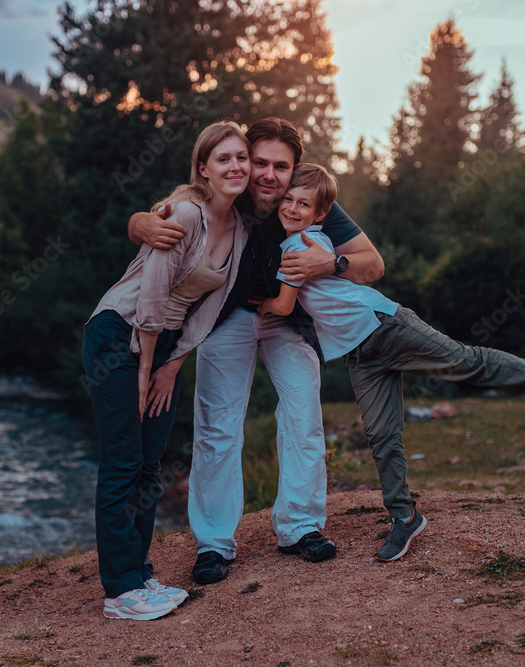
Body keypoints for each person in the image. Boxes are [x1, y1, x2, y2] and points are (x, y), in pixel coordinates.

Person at [258, 163, 525, 561]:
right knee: (381, 435)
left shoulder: (300, 247)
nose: (293, 209)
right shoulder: (302, 241)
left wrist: (250, 303)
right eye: (288, 201)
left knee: (467, 363)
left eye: (304, 204)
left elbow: (282, 306)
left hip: (386, 326)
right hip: (358, 354)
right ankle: (405, 518)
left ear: (320, 215)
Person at [129, 118, 385, 585]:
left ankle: (301, 526)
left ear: (296, 170)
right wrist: (141, 222)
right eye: (260, 162)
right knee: (217, 425)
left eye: (280, 167)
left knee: (303, 412)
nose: (268, 175)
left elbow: (374, 263)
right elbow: (165, 211)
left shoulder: (312, 198)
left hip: (287, 321)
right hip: (225, 319)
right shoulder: (229, 188)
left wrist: (332, 261)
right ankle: (213, 543)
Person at [82, 121, 251, 620]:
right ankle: (119, 592)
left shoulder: (239, 230)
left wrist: (171, 365)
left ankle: (138, 574)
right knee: (122, 461)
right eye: (224, 158)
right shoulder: (183, 213)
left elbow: (207, 310)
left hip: (165, 345)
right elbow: (154, 289)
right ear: (203, 168)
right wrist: (144, 365)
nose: (236, 166)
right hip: (120, 334)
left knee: (150, 463)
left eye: (241, 157)